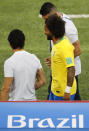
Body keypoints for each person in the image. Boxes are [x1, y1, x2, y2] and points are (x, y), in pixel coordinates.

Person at [39, 2, 81, 100]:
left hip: (66, 74)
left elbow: (77, 50)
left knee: (72, 102)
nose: (46, 23)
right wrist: (55, 58)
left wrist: (58, 61)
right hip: (58, 72)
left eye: (47, 19)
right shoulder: (56, 28)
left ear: (55, 14)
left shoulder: (68, 28)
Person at [0, 29, 46, 101]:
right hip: (32, 103)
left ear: (10, 44)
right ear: (24, 41)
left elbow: (6, 89)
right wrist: (29, 89)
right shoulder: (34, 58)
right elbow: (42, 81)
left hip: (16, 105)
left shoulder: (9, 62)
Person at [45, 15, 76, 100]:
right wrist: (54, 60)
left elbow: (71, 68)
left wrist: (67, 91)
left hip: (63, 93)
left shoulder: (64, 47)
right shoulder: (58, 42)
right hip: (55, 89)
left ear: (52, 31)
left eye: (46, 30)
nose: (45, 32)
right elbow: (62, 57)